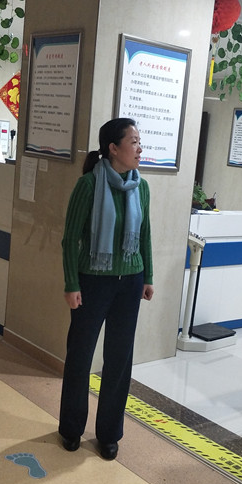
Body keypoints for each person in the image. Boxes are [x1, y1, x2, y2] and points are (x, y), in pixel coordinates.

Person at [58, 117, 154, 461]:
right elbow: (70, 239)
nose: (139, 148)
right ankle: (71, 428)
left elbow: (144, 235)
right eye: (134, 142)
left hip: (130, 281)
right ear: (113, 148)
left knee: (119, 359)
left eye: (139, 142)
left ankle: (109, 434)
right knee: (80, 355)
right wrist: (71, 283)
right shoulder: (88, 185)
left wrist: (148, 276)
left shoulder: (141, 187)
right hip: (93, 281)